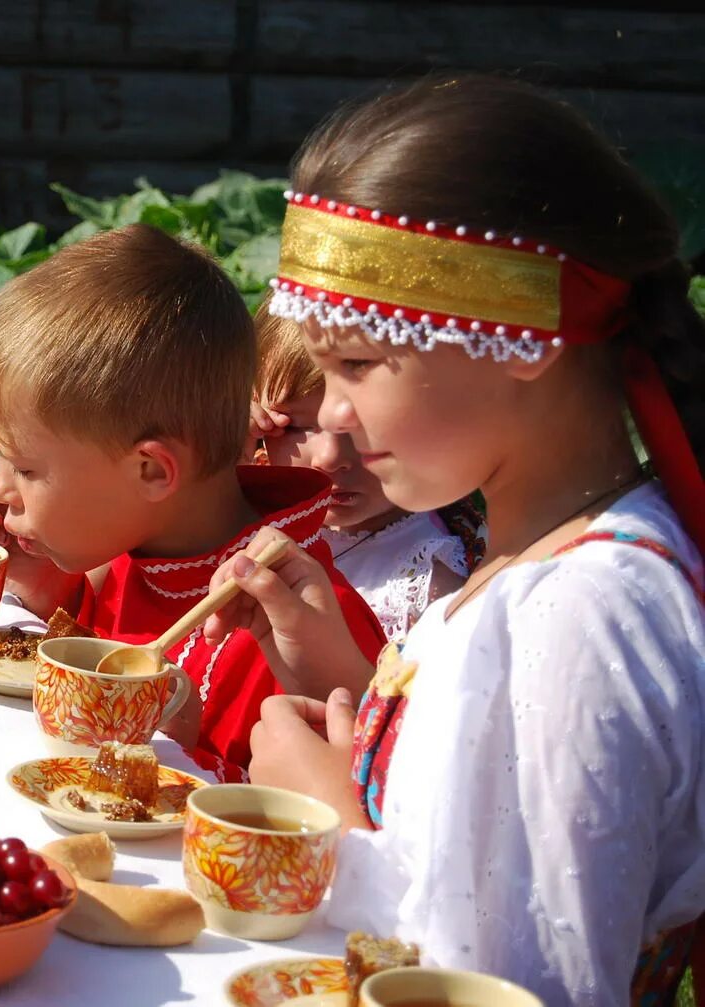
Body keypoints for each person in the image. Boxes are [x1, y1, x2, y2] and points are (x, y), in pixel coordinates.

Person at [199, 76, 705, 1006]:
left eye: (357, 362)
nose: (338, 418)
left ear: (526, 336)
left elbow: (517, 984)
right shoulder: (537, 559)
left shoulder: (580, 619)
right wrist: (343, 694)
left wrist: (327, 822)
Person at [0, 222, 385, 780]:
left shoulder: (302, 625)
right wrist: (44, 588)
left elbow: (323, 822)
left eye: (27, 467)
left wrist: (182, 747)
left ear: (153, 470)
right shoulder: (140, 547)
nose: (0, 488)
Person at [248, 304, 479, 641]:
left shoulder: (428, 584)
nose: (329, 457)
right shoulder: (244, 497)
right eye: (294, 426)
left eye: (362, 425)